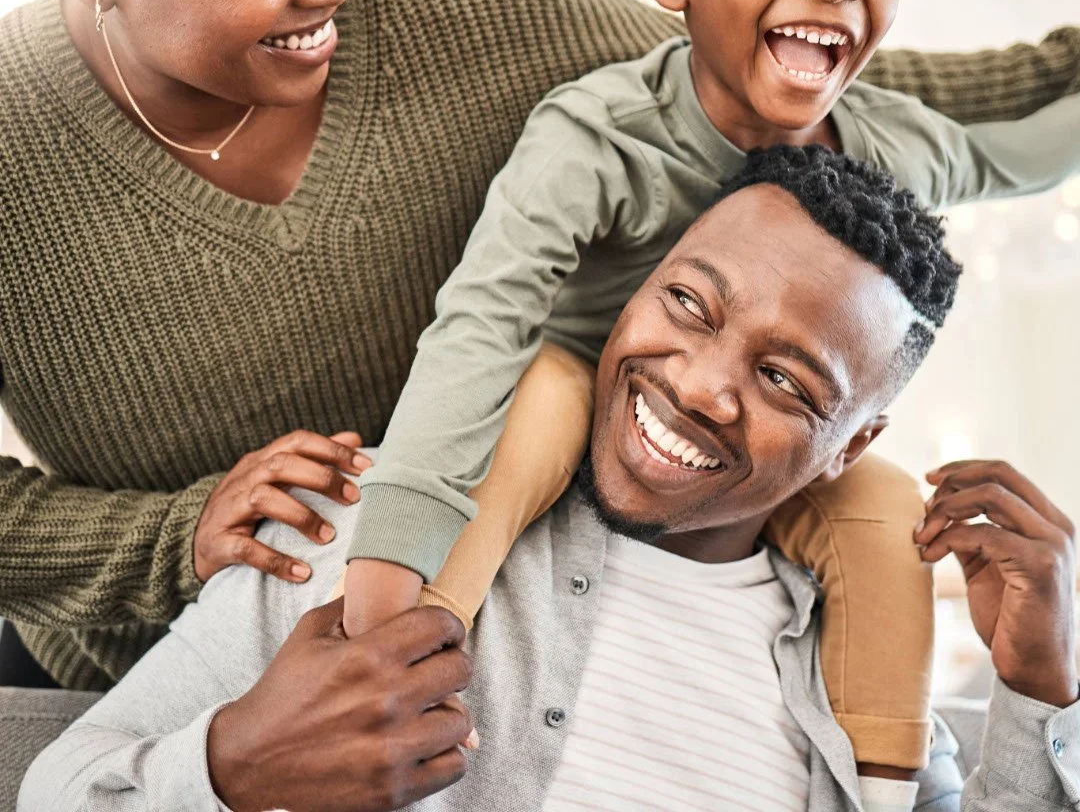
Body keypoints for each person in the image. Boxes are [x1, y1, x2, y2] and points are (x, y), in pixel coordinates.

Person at [0, 0, 1076, 697]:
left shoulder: (466, 9)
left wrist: (1058, 73)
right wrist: (170, 538)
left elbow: (764, 59)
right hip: (122, 688)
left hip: (473, 656)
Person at [338, 0, 1080, 789]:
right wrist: (385, 562)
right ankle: (391, 674)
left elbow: (1023, 151)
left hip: (750, 452)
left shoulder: (892, 143)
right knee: (541, 397)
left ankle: (881, 788)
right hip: (595, 389)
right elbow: (480, 324)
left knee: (881, 513)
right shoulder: (601, 134)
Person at [20, 146, 1079, 812]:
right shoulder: (387, 534)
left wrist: (1037, 687)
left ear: (852, 447)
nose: (703, 386)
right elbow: (55, 790)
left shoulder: (861, 694)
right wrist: (233, 770)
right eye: (690, 306)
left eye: (783, 379)